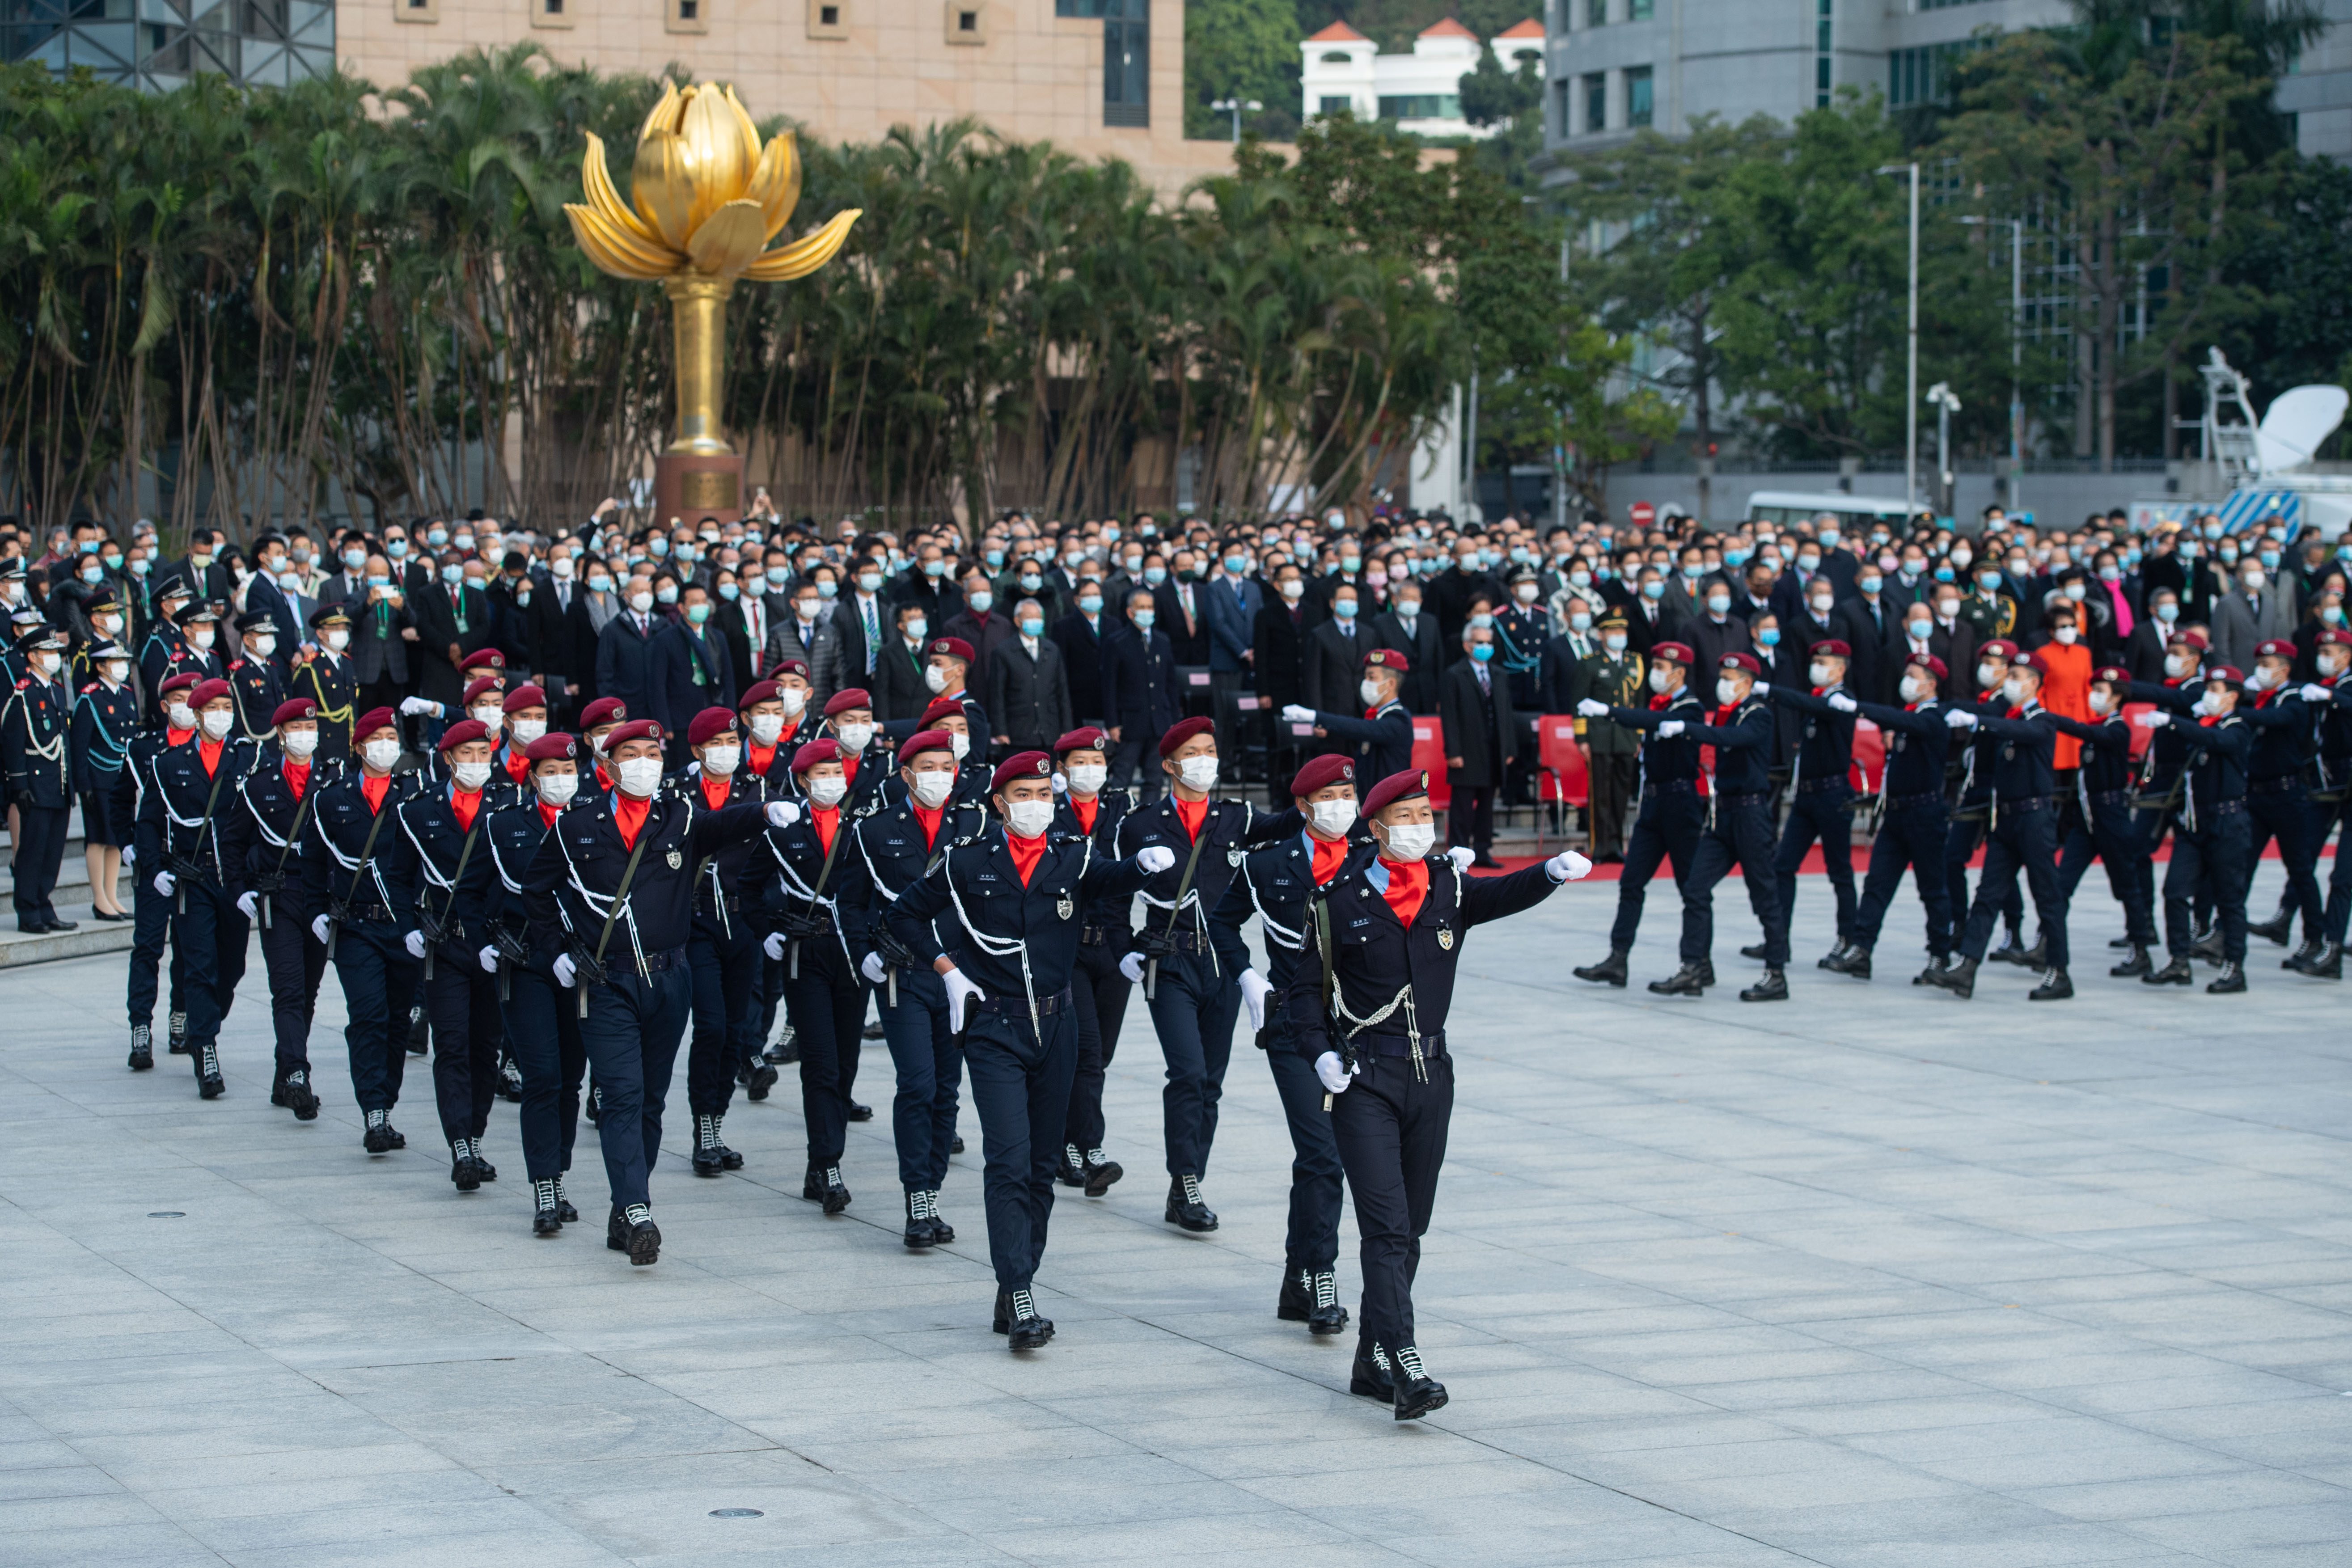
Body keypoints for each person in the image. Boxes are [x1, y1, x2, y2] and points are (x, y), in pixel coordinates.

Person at [1288, 766, 1591, 1419]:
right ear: (1376, 829)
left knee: (1413, 1227)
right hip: (1365, 1076)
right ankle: (1405, 1360)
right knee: (1386, 1228)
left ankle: (1371, 1359)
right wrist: (1320, 1057)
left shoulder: (1447, 884)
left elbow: (1501, 892)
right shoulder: (1335, 899)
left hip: (1432, 1074)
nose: (1420, 826)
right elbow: (1300, 999)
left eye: (1426, 814)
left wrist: (1551, 873)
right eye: (1406, 817)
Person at [886, 750, 1173, 1349]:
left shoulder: (1074, 856)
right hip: (994, 1029)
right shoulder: (968, 862)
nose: (1036, 805)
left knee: (1043, 1165)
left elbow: (1110, 879)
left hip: (1057, 1025)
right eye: (1023, 794)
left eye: (1044, 794)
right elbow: (901, 915)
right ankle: (1019, 1289)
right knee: (1009, 1160)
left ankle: (1018, 1273)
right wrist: (947, 970)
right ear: (998, 803)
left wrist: (1143, 867)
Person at [520, 718, 804, 1265]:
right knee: (622, 1096)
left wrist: (766, 812)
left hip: (670, 978)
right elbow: (537, 890)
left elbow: (724, 826)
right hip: (605, 980)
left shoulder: (678, 814)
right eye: (632, 753)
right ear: (606, 766)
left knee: (651, 1099)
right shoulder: (577, 825)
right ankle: (638, 1209)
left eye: (653, 752)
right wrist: (554, 950)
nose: (645, 762)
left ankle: (624, 1207)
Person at [1113, 716, 1302, 1232]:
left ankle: (1186, 1185)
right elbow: (1109, 893)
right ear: (1171, 765)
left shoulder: (1236, 816)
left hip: (1221, 963)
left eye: (1211, 750)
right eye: (1194, 752)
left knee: (1211, 1084)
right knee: (1189, 1073)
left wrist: (1317, 799)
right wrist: (1122, 949)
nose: (1206, 760)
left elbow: (1287, 824)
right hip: (1169, 962)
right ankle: (1187, 1178)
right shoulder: (1140, 823)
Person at [1210, 753, 1374, 1337]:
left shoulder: (1372, 857)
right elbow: (1221, 920)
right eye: (1328, 796)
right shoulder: (1268, 863)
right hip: (1294, 1028)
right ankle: (1323, 1275)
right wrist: (1248, 975)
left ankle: (1296, 1275)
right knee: (1324, 1151)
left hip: (1362, 1025)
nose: (1342, 806)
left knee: (1322, 1159)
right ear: (1303, 807)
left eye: (1348, 794)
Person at [838, 728, 986, 1244]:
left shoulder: (975, 823)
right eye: (928, 766)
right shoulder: (876, 829)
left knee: (947, 1089)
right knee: (918, 1084)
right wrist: (864, 954)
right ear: (905, 774)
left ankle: (933, 1191)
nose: (939, 776)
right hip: (904, 975)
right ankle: (916, 1196)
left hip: (960, 977)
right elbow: (850, 900)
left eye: (947, 766)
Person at [398, 719, 519, 1192]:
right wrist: (409, 927)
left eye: (482, 753)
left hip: (491, 945)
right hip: (446, 942)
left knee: (485, 1046)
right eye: (465, 755)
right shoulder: (419, 810)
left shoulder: (508, 804)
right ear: (447, 759)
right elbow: (398, 873)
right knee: (451, 1044)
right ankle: (461, 1144)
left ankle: (476, 1133)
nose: (476, 762)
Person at [754, 732, 868, 1208]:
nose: (831, 781)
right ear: (802, 780)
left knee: (844, 1064)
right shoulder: (784, 829)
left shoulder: (859, 826)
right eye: (821, 774)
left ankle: (819, 1161)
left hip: (853, 956)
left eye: (836, 773)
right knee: (820, 1062)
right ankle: (827, 1165)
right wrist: (769, 928)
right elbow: (751, 884)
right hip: (807, 952)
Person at [305, 707, 426, 1153]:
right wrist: (316, 910)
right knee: (369, 1015)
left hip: (403, 928)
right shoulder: (332, 798)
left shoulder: (413, 796)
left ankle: (386, 1105)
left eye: (391, 736)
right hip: (357, 926)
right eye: (376, 738)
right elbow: (314, 861)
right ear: (357, 748)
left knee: (397, 1020)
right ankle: (373, 1111)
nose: (386, 745)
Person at [1924, 651, 2077, 1001]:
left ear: (2036, 683)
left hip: (2035, 819)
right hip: (2006, 818)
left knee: (2047, 896)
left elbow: (2021, 730)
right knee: (1987, 895)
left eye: (2019, 676)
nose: (2011, 681)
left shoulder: (2040, 719)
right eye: (2010, 675)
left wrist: (1981, 723)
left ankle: (2059, 970)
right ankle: (1967, 966)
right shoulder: (2006, 716)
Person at [485, 732, 591, 1235]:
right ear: (530, 777)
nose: (561, 780)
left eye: (568, 771)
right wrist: (481, 942)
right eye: (549, 772)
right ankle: (544, 1183)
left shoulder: (593, 820)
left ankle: (560, 1172)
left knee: (570, 1077)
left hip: (581, 963)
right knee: (543, 1075)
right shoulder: (504, 824)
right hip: (528, 960)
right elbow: (474, 890)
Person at [1642, 652, 1790, 1002]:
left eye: (1731, 677)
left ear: (1747, 683)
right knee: (1695, 888)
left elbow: (1734, 738)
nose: (1723, 684)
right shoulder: (1731, 712)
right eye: (1722, 676)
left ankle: (1776, 973)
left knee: (1765, 895)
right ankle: (1694, 967)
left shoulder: (1758, 715)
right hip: (1724, 815)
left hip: (1751, 816)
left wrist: (1686, 728)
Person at [138, 677, 258, 1099]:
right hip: (193, 876)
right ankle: (206, 1049)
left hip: (235, 879)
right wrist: (154, 869)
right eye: (216, 707)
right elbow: (150, 821)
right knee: (200, 965)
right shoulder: (170, 764)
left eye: (229, 706)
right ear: (199, 713)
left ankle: (205, 1024)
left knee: (232, 966)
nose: (224, 714)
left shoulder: (247, 758)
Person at [223, 697, 333, 1121]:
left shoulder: (330, 778)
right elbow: (233, 841)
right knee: (287, 988)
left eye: (312, 728)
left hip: (320, 897)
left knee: (307, 992)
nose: (307, 735)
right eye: (298, 729)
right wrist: (238, 889)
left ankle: (282, 1074)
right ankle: (298, 1075)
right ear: (283, 735)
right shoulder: (260, 783)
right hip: (279, 894)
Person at [1573, 640, 1705, 985]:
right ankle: (1618, 958)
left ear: (1679, 673)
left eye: (1663, 668)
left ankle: (1697, 964)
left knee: (1691, 888)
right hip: (1654, 804)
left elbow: (1654, 720)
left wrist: (1608, 711)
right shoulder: (1660, 702)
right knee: (1631, 882)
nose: (1657, 673)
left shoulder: (1690, 708)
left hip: (1681, 803)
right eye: (1656, 665)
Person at [1824, 653, 1957, 979]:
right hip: (1897, 813)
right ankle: (1862, 948)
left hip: (1925, 813)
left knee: (1933, 889)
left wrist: (1858, 708)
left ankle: (1940, 954)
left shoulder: (1932, 718)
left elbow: (1906, 722)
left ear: (1930, 683)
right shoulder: (1909, 719)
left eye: (1914, 675)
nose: (1907, 681)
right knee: (1877, 884)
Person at [2127, 663, 2257, 992]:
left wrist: (2175, 721)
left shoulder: (2238, 726)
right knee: (2174, 890)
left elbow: (2219, 740)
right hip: (2194, 821)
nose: (2209, 695)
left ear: (2233, 696)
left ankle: (2234, 966)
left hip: (2228, 821)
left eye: (2216, 690)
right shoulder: (2201, 725)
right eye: (2208, 689)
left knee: (2230, 897)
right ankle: (2180, 961)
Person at [1047, 727, 1133, 1196]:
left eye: (1097, 762)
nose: (1090, 770)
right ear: (1061, 769)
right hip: (1069, 947)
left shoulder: (1121, 809)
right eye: (1079, 762)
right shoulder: (1050, 810)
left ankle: (1066, 1142)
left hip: (1114, 947)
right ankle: (1089, 1148)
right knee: (1086, 1052)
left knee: (1100, 1055)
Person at [2043, 666, 2163, 978]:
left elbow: (2093, 734)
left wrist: (2055, 719)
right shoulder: (2098, 726)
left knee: (2126, 886)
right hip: (2086, 818)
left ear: (2117, 697)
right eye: (2093, 689)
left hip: (2111, 816)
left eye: (2101, 691)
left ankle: (2140, 948)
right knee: (2061, 883)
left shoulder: (2117, 728)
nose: (2095, 695)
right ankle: (2047, 944)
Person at [1763, 636, 1860, 963]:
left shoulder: (1842, 700)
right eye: (1815, 662)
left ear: (1841, 668)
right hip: (1806, 795)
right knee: (1783, 866)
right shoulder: (1819, 699)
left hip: (1833, 793)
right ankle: (1778, 940)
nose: (1817, 668)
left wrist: (1773, 691)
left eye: (1825, 663)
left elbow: (1817, 707)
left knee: (1840, 871)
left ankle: (1848, 939)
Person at [3, 625, 75, 933]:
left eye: (54, 651)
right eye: (47, 652)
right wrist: (18, 785)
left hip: (57, 783)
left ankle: (44, 903)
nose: (53, 657)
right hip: (36, 784)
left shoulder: (56, 690)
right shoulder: (24, 693)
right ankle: (28, 910)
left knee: (53, 851)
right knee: (32, 851)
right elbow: (13, 740)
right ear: (32, 656)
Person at [70, 638, 139, 922]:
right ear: (100, 666)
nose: (123, 667)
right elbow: (79, 745)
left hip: (121, 778)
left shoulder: (126, 693)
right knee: (98, 838)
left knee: (116, 840)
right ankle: (99, 899)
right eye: (116, 662)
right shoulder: (90, 697)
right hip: (98, 777)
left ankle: (112, 896)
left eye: (124, 661)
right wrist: (83, 785)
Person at [1437, 621, 1516, 867]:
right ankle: (1458, 852)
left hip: (1494, 750)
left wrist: (1509, 749)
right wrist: (1453, 751)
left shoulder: (1500, 674)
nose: (1485, 647)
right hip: (1466, 750)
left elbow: (1506, 714)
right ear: (1467, 645)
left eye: (1488, 642)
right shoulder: (1454, 674)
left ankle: (1483, 851)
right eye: (1479, 642)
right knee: (1462, 806)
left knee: (1487, 804)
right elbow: (1449, 717)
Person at [1282, 646, 1413, 788]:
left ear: (1391, 684)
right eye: (1366, 677)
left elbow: (1359, 728)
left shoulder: (1399, 718)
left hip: (1390, 802)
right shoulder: (1377, 715)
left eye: (1372, 677)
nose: (1366, 682)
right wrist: (1329, 730)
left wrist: (1316, 716)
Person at [1100, 589, 1181, 798]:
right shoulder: (1117, 641)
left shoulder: (1163, 640)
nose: (1148, 612)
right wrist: (1112, 723)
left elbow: (1171, 684)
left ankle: (1148, 822)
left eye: (1150, 607)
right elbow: (1109, 686)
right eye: (1142, 607)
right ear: (1130, 612)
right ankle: (1116, 821)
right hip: (1130, 721)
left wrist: (1173, 719)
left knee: (1155, 778)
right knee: (1122, 776)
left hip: (1159, 721)